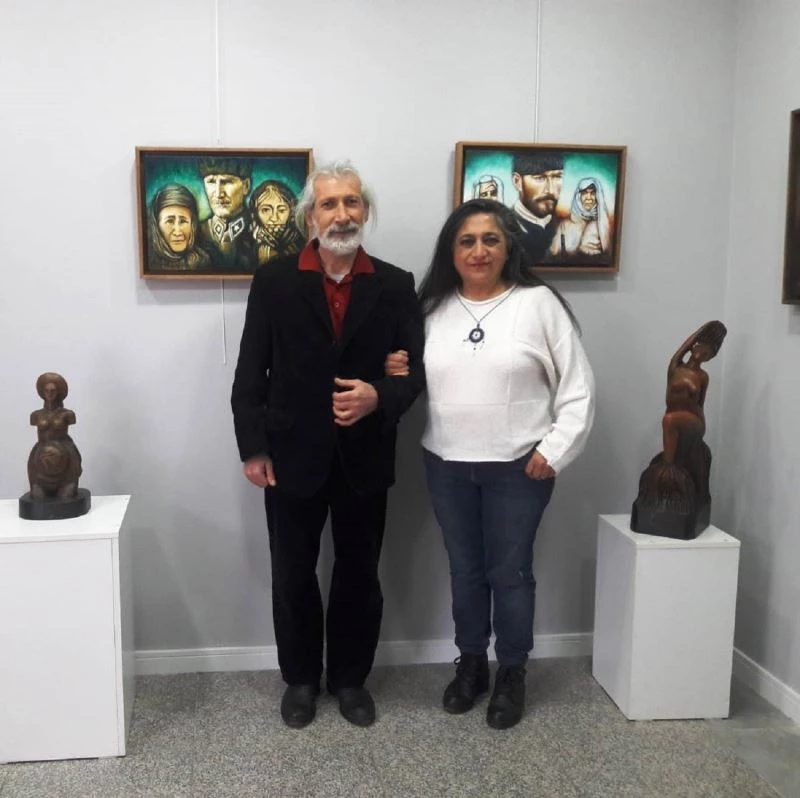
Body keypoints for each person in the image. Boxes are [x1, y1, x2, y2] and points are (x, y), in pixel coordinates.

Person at [386, 198, 594, 729]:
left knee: (511, 573)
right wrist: (393, 366)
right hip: (447, 464)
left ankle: (512, 672)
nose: (478, 251)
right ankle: (472, 664)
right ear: (451, 252)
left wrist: (554, 451)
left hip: (519, 468)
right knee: (465, 571)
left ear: (508, 248)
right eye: (467, 241)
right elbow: (408, 374)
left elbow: (578, 390)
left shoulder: (538, 304)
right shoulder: (431, 309)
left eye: (490, 240)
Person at [231, 161, 425, 730]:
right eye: (329, 204)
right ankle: (300, 679)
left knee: (359, 573)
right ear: (310, 217)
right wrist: (253, 448)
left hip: (366, 456)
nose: (342, 214)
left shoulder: (395, 284)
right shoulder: (274, 280)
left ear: (366, 211)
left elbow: (415, 374)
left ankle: (349, 679)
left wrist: (379, 395)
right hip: (290, 456)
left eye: (351, 202)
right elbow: (250, 373)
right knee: (292, 573)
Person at [197, 158, 255, 272]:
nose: (219, 194)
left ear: (246, 186)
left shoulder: (258, 232)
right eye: (211, 182)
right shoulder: (196, 233)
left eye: (227, 182)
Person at [510, 151, 564, 261]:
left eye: (557, 177)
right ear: (517, 181)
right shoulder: (503, 225)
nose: (551, 190)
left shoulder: (564, 224)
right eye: (539, 178)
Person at [147, 184, 213, 272]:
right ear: (157, 225)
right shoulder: (150, 262)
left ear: (193, 224)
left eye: (183, 221)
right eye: (170, 221)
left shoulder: (203, 262)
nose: (177, 232)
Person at [549, 177, 611, 261]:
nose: (589, 197)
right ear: (578, 196)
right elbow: (553, 255)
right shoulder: (564, 225)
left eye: (592, 193)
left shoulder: (601, 225)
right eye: (584, 193)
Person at [248, 179, 305, 265]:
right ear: (255, 213)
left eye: (281, 210)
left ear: (291, 213)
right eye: (266, 210)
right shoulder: (246, 244)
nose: (274, 218)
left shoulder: (302, 242)